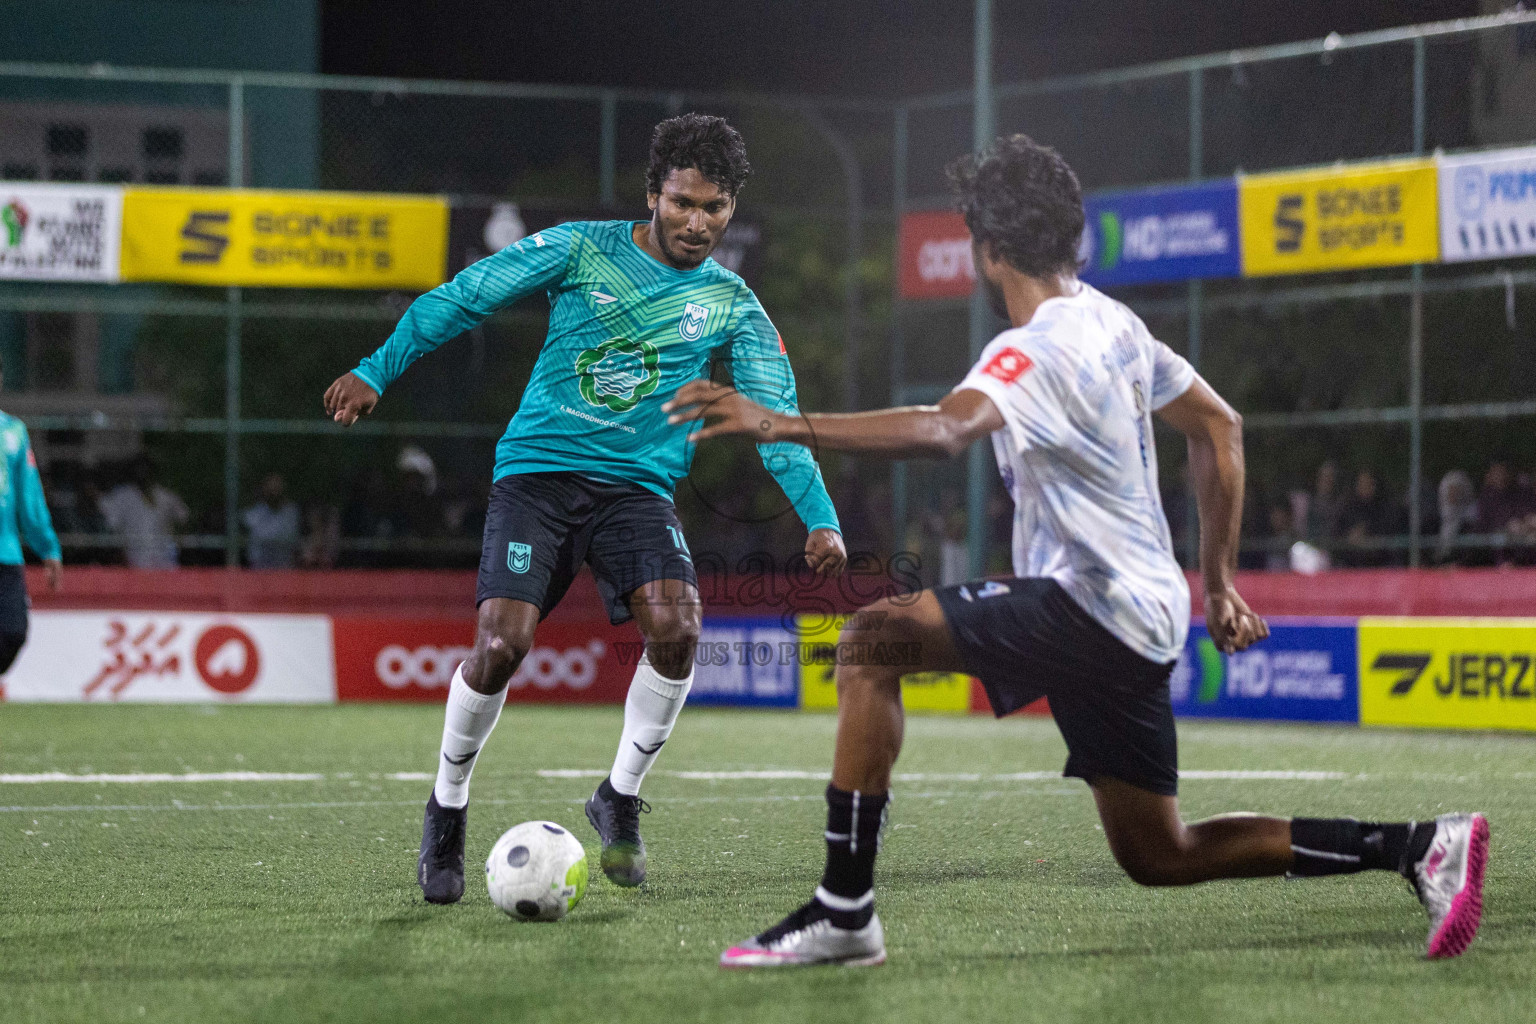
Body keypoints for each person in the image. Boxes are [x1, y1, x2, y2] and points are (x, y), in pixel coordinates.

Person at [667, 134, 1488, 967]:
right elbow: (1220, 426)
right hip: (1144, 614)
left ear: (988, 253)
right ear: (1071, 239)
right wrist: (1221, 584)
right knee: (1159, 854)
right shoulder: (1115, 323)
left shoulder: (1037, 346)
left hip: (1095, 604)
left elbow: (946, 429)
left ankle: (844, 911)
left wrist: (778, 421)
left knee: (872, 641)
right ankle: (1419, 846)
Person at [323, 114, 845, 903]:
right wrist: (376, 368)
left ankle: (619, 797)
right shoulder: (581, 248)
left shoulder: (732, 303)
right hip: (538, 474)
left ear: (732, 208)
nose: (697, 222)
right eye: (682, 203)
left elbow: (775, 420)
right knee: (501, 646)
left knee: (679, 630)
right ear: (652, 195)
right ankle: (447, 810)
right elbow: (467, 297)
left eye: (715, 207)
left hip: (636, 492)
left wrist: (821, 516)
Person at [0, 360, 62, 673]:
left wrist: (47, 547)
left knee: (12, 632)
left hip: (5, 554)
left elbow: (29, 496)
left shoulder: (12, 431)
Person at [97, 456, 188, 569]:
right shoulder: (121, 496)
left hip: (166, 560)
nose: (142, 474)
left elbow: (184, 518)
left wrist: (177, 545)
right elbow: (111, 527)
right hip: (136, 559)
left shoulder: (165, 495)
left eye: (146, 470)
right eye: (139, 470)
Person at [242, 473, 301, 569]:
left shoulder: (291, 511)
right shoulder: (254, 512)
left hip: (284, 566)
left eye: (277, 488)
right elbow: (260, 536)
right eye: (271, 489)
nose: (274, 492)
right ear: (265, 490)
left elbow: (289, 536)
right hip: (259, 567)